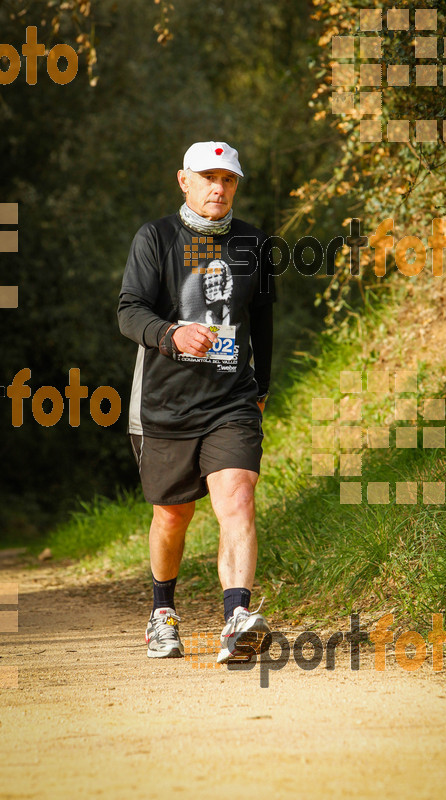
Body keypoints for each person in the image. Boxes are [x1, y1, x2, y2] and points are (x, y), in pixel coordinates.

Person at [117, 141, 275, 663]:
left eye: (228, 179)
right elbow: (129, 311)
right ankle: (162, 612)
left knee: (237, 499)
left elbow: (264, 323)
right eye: (207, 177)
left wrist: (262, 389)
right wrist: (171, 336)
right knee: (172, 515)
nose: (218, 188)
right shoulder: (155, 238)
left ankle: (237, 619)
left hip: (231, 401)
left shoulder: (254, 243)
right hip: (165, 404)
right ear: (183, 181)